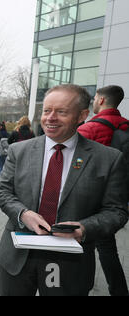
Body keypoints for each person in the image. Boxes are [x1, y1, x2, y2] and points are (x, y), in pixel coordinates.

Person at [0, 84, 128, 296]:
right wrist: (23, 214)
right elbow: (2, 192)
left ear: (82, 115)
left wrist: (84, 228)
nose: (50, 118)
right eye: (47, 110)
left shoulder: (108, 159)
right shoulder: (19, 151)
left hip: (68, 264)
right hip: (18, 257)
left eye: (61, 112)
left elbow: (117, 211)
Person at [77, 85, 129, 296]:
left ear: (100, 100)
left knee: (79, 240)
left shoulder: (88, 129)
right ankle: (119, 290)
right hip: (116, 197)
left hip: (88, 198)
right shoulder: (126, 127)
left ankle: (79, 284)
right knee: (108, 247)